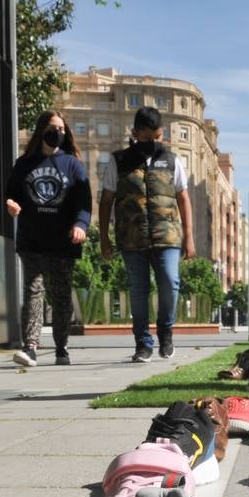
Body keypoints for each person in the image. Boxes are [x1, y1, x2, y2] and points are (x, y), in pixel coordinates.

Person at [99, 107, 196, 363]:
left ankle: (166, 331)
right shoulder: (118, 161)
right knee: (138, 290)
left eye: (157, 136)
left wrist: (189, 236)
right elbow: (106, 200)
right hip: (132, 237)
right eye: (147, 137)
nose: (152, 142)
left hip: (167, 236)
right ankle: (143, 343)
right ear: (135, 133)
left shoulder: (172, 161)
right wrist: (104, 239)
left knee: (169, 281)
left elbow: (183, 197)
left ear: (161, 133)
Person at [6, 110, 91, 368]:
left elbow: (84, 201)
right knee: (33, 290)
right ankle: (30, 346)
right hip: (32, 238)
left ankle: (61, 346)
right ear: (41, 129)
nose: (57, 133)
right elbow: (11, 194)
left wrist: (80, 225)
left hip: (63, 242)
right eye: (53, 127)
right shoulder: (24, 164)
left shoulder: (73, 164)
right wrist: (11, 204)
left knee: (61, 295)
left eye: (62, 129)